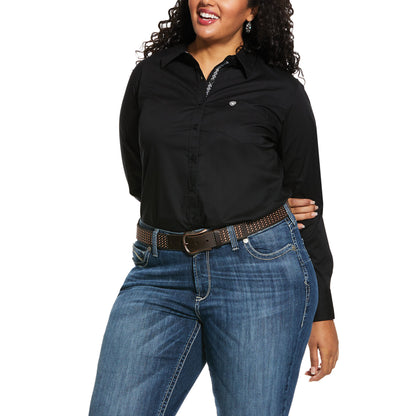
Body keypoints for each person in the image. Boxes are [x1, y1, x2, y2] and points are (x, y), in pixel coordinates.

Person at [88, 0, 339, 415]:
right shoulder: (150, 76)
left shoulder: (281, 92)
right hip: (159, 275)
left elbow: (307, 207)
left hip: (260, 278)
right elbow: (142, 177)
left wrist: (322, 312)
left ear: (253, 11)